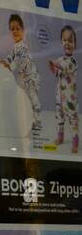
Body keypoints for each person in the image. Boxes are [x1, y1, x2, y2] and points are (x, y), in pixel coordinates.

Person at [4, 13, 42, 134]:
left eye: (18, 29)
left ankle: (37, 121)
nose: (15, 31)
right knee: (25, 99)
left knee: (33, 99)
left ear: (23, 30)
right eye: (12, 29)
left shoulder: (23, 46)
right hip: (24, 79)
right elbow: (11, 56)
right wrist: (4, 62)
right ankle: (28, 120)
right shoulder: (15, 46)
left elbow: (18, 59)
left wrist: (10, 67)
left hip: (31, 78)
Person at [50, 25, 77, 153]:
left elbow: (64, 68)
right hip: (59, 97)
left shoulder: (73, 62)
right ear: (61, 42)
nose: (67, 43)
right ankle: (60, 138)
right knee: (59, 118)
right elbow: (56, 72)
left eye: (70, 41)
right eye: (65, 40)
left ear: (75, 44)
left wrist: (55, 64)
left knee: (72, 120)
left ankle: (75, 141)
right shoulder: (60, 59)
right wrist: (52, 67)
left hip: (70, 99)